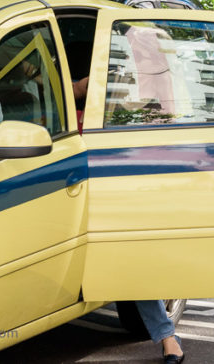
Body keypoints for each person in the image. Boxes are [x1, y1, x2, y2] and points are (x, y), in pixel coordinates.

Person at [70, 76, 184, 363]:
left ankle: (168, 338)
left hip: (118, 191)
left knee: (134, 265)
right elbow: (72, 89)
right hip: (75, 191)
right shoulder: (93, 93)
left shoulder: (151, 106)